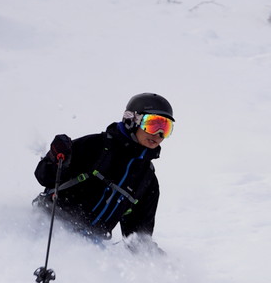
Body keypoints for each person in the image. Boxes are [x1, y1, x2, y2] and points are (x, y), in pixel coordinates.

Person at [33, 93, 174, 254]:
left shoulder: (147, 181)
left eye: (166, 128)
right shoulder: (95, 147)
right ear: (132, 119)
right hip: (46, 226)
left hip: (87, 248)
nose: (159, 134)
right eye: (153, 124)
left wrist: (161, 264)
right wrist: (54, 158)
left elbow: (138, 240)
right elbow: (44, 177)